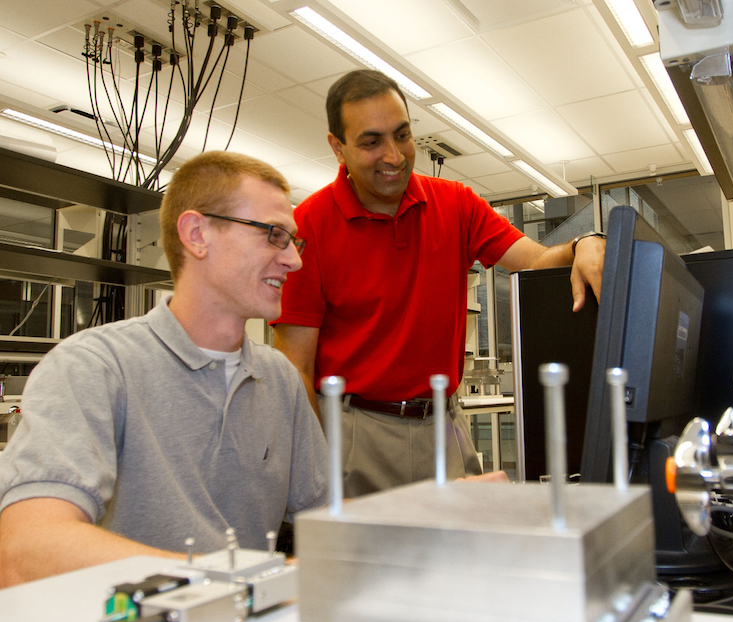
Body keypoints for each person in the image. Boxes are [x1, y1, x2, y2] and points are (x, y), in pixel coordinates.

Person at [0, 151, 328, 587]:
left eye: (293, 240)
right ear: (197, 234)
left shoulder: (280, 379)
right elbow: (24, 549)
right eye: (273, 235)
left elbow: (327, 522)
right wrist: (240, 581)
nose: (294, 260)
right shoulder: (94, 366)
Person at [273, 69, 606, 498]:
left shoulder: (456, 204)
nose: (394, 156)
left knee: (461, 558)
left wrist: (584, 244)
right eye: (371, 142)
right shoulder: (309, 226)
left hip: (444, 425)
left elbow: (537, 261)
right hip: (356, 435)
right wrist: (316, 467)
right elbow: (295, 367)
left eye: (402, 135)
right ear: (338, 148)